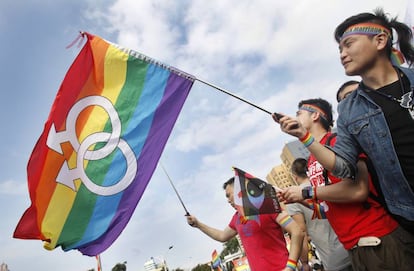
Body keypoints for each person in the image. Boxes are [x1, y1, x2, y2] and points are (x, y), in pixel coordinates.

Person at [274, 8, 414, 231]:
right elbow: (343, 168)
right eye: (339, 49)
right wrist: (303, 136)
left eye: (349, 44)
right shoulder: (349, 110)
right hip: (407, 213)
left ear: (380, 40)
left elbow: (357, 191)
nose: (342, 54)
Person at [278, 97, 411, 270]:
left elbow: (358, 191)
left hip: (376, 237)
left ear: (316, 115)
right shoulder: (311, 159)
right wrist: (296, 197)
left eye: (299, 113)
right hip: (353, 247)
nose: (295, 117)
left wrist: (306, 192)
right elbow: (328, 207)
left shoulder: (339, 142)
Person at [186, 177, 304, 271]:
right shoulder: (236, 218)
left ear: (239, 191)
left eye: (228, 195)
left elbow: (297, 231)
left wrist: (291, 266)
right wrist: (198, 224)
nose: (228, 200)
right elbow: (222, 236)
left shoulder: (266, 207)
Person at [286, 158, 352, 271]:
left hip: (334, 259)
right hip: (353, 247)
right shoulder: (324, 184)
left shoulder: (294, 197)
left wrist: (305, 262)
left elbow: (301, 232)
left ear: (294, 176)